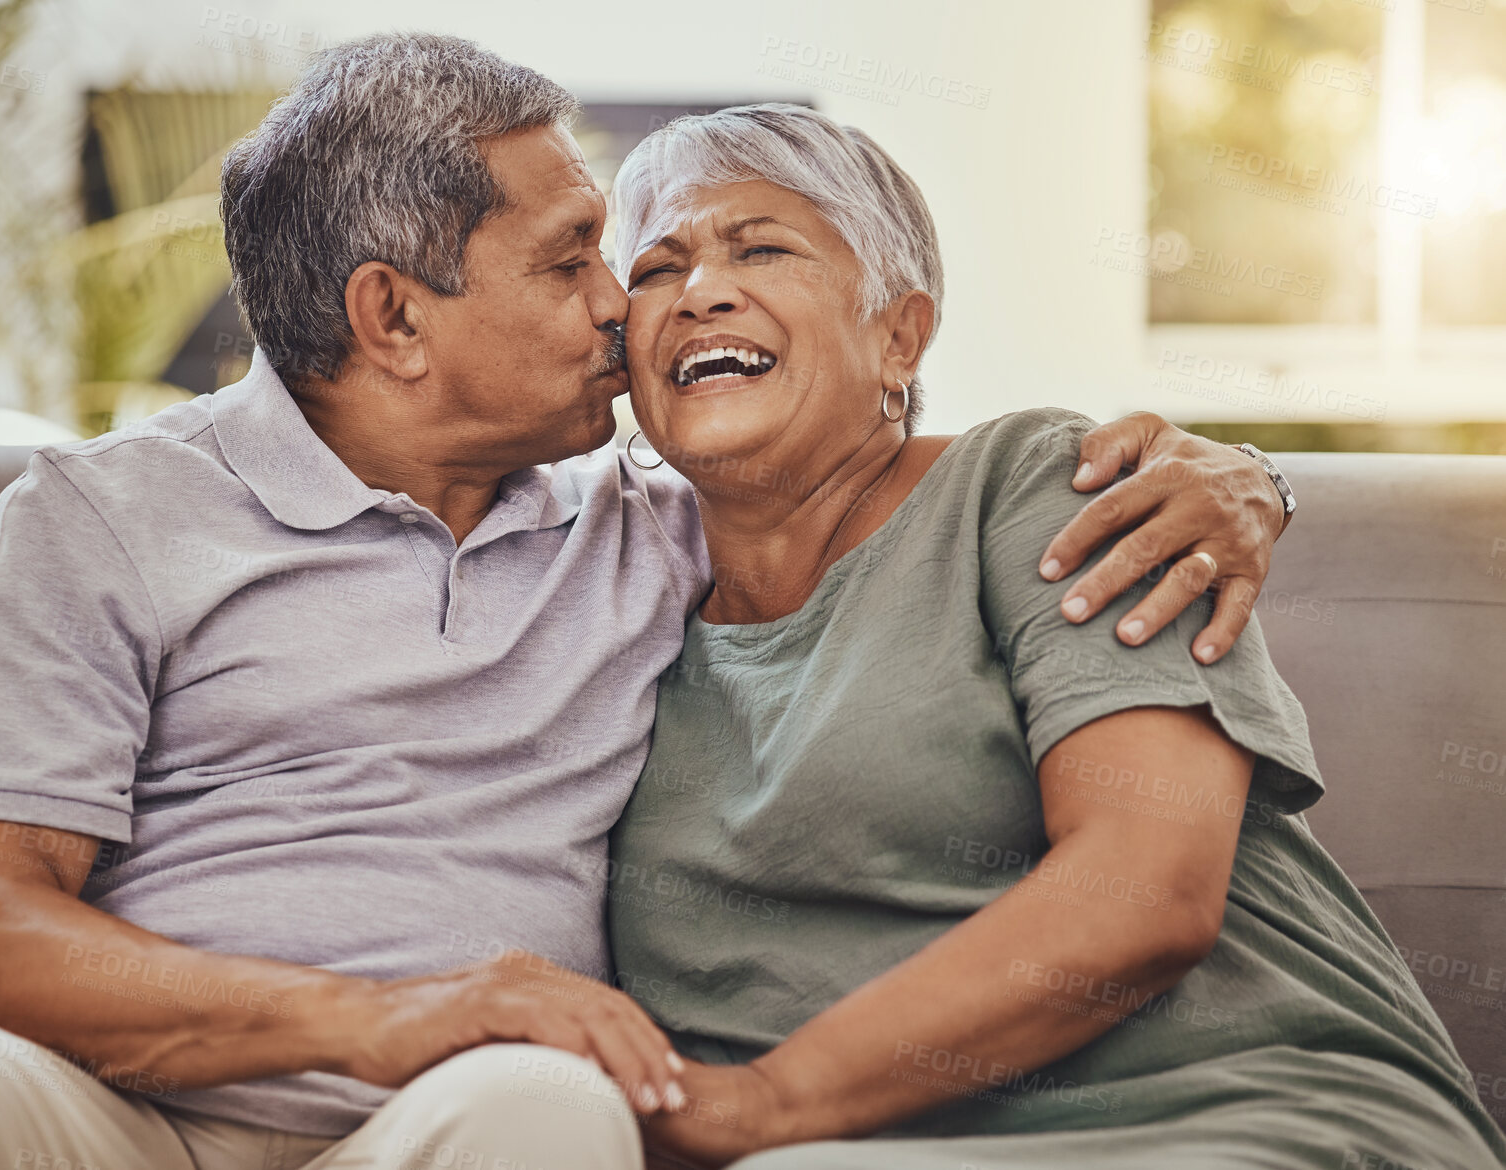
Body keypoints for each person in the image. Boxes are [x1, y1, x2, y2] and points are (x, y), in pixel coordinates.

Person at [0, 35, 1294, 1170]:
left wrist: (1231, 471)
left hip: (459, 1122)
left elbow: (876, 481)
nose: (621, 308)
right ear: (391, 317)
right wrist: (383, 1012)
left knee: (541, 1105)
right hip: (118, 1117)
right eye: (576, 259)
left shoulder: (650, 527)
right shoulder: (99, 518)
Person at [602, 103, 1506, 1169]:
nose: (701, 289)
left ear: (899, 334)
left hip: (1239, 1116)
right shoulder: (605, 601)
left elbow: (1144, 893)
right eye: (657, 270)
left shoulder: (1037, 484)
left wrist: (761, 1105)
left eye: (763, 247)